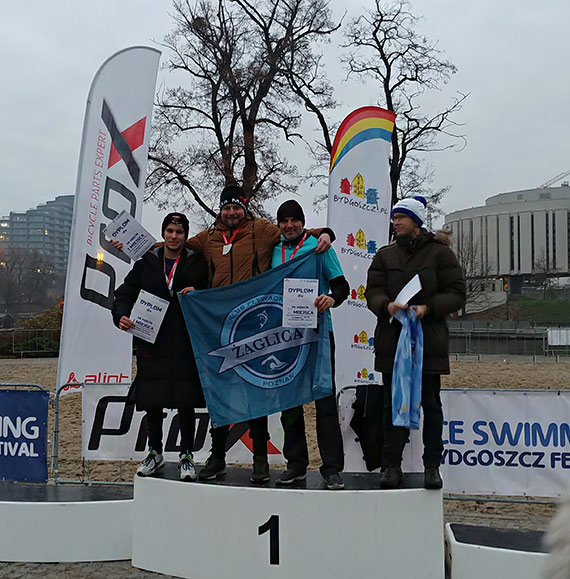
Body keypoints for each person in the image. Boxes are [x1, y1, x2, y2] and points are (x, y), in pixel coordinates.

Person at [185, 185, 334, 484]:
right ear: (220, 210)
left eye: (236, 207)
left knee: (257, 388)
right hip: (222, 327)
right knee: (222, 390)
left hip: (256, 324)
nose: (231, 213)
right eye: (226, 208)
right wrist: (138, 247)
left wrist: (326, 232)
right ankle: (217, 456)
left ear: (244, 208)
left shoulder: (263, 230)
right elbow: (173, 246)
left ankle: (260, 459)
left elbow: (295, 230)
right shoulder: (208, 237)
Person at [365, 196, 466, 490]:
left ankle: (432, 466)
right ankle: (390, 466)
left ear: (416, 222)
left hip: (428, 343)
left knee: (431, 406)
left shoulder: (440, 255)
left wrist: (428, 308)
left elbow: (457, 293)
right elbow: (373, 291)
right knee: (391, 405)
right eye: (394, 217)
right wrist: (386, 305)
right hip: (392, 342)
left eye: (402, 217)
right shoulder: (384, 256)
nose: (395, 221)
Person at [112, 213, 208, 481]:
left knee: (186, 403)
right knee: (152, 403)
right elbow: (124, 293)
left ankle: (187, 455)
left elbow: (212, 292)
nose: (174, 236)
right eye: (169, 231)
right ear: (163, 233)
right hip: (150, 344)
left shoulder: (197, 263)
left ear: (186, 235)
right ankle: (155, 452)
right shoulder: (147, 264)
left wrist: (199, 294)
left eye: (179, 231)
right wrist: (120, 314)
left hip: (185, 344)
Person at [270, 200, 349, 490]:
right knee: (290, 404)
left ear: (303, 222)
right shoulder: (271, 248)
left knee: (324, 402)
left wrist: (331, 298)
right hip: (284, 337)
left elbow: (342, 285)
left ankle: (331, 469)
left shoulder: (319, 246)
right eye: (284, 220)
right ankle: (296, 464)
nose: (289, 225)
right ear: (278, 224)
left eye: (295, 220)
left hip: (317, 334)